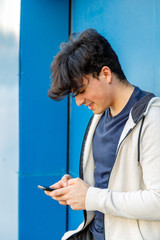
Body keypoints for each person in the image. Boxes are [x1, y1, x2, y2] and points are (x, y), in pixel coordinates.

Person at [45, 29, 160, 240]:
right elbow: (110, 185)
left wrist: (90, 196)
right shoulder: (98, 119)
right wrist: (75, 188)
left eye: (81, 90)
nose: (79, 102)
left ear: (106, 74)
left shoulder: (152, 119)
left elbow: (158, 201)